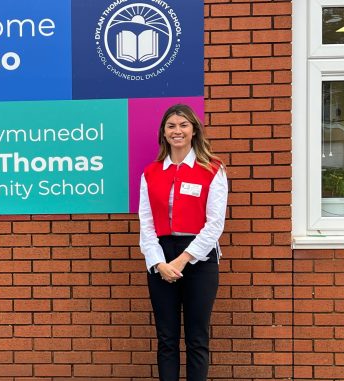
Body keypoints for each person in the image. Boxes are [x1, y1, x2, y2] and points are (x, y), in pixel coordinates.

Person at [138, 103, 228, 381]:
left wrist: (182, 259)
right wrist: (158, 263)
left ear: (193, 131)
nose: (177, 131)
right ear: (163, 133)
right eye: (171, 126)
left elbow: (214, 225)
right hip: (161, 256)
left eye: (183, 125)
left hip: (199, 260)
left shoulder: (212, 169)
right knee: (166, 339)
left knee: (196, 338)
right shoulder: (150, 173)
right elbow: (146, 223)